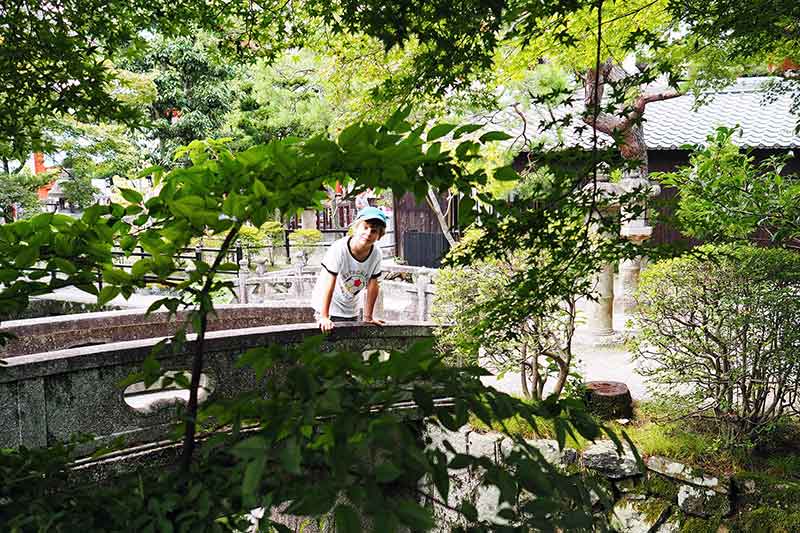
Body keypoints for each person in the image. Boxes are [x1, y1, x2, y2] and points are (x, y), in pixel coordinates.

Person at [311, 206, 388, 332]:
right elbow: (329, 282)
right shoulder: (339, 249)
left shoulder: (376, 254)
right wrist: (324, 316)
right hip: (328, 306)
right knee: (328, 342)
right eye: (365, 227)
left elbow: (373, 285)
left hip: (351, 308)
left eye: (374, 231)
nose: (368, 233)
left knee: (350, 343)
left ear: (379, 236)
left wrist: (368, 317)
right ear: (356, 228)